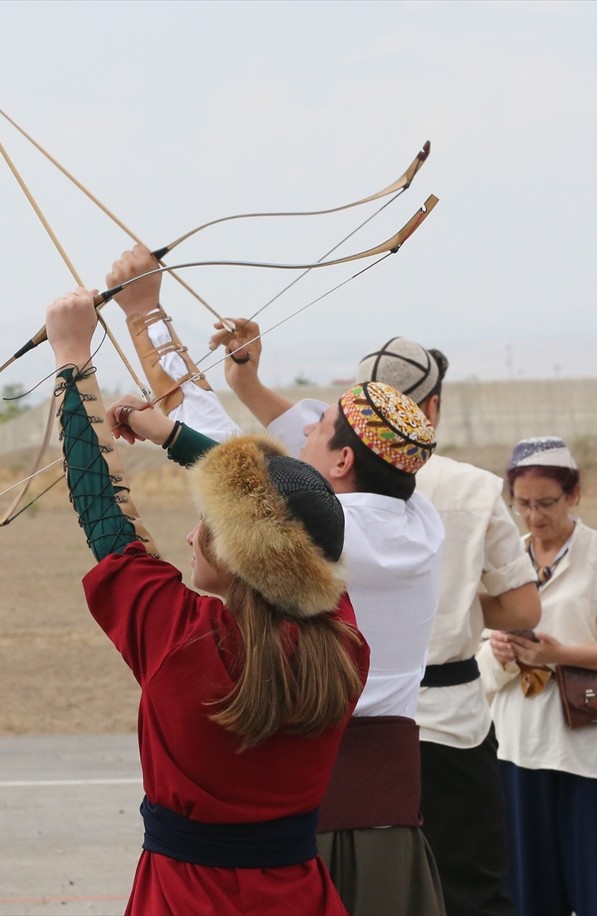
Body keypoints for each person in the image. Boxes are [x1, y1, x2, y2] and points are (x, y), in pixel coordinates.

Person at [105, 245, 446, 915]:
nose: (300, 430)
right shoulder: (416, 518)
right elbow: (262, 440)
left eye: (316, 429)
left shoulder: (339, 529)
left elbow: (223, 452)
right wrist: (248, 381)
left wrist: (145, 314)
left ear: (342, 460)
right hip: (388, 819)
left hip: (308, 823)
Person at [44, 287, 371, 916]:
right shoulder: (344, 646)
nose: (193, 534)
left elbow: (103, 513)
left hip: (183, 898)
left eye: (210, 524)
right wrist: (160, 429)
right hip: (299, 896)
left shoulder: (181, 640)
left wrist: (71, 355)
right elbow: (292, 520)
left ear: (243, 555)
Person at [341, 336, 542, 915]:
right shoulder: (473, 487)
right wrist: (457, 606)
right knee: (470, 891)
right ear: (430, 408)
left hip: (356, 720)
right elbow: (525, 610)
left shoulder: (330, 481)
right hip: (450, 724)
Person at [476, 437, 597, 916]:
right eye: (523, 504)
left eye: (547, 503)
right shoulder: (504, 561)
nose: (534, 516)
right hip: (517, 743)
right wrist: (504, 652)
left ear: (573, 495)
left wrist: (559, 653)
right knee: (528, 894)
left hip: (589, 745)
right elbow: (480, 667)